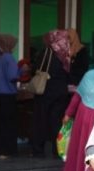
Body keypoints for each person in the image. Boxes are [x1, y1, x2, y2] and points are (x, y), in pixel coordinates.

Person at [29, 30, 74, 159]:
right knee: (57, 122)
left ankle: (38, 150)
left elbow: (36, 69)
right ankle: (57, 150)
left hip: (45, 91)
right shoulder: (66, 53)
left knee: (40, 120)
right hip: (61, 92)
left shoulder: (46, 52)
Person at [0, 34, 21, 159]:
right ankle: (5, 151)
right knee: (8, 124)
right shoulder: (9, 58)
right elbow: (13, 76)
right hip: (7, 96)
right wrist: (22, 70)